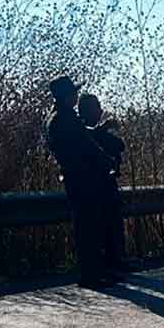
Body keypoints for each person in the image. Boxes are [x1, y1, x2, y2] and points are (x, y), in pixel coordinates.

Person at [45, 75, 117, 289]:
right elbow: (86, 145)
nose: (76, 96)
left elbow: (86, 136)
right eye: (73, 93)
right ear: (67, 96)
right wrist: (106, 161)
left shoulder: (57, 117)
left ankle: (93, 273)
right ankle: (91, 275)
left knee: (86, 226)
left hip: (75, 177)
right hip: (83, 177)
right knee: (88, 227)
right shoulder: (65, 118)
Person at [77, 92, 128, 275]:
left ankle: (115, 261)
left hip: (107, 182)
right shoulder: (79, 129)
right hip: (92, 185)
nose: (100, 110)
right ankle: (103, 266)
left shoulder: (97, 132)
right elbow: (90, 141)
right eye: (95, 107)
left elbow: (119, 145)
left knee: (113, 223)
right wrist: (104, 129)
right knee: (99, 227)